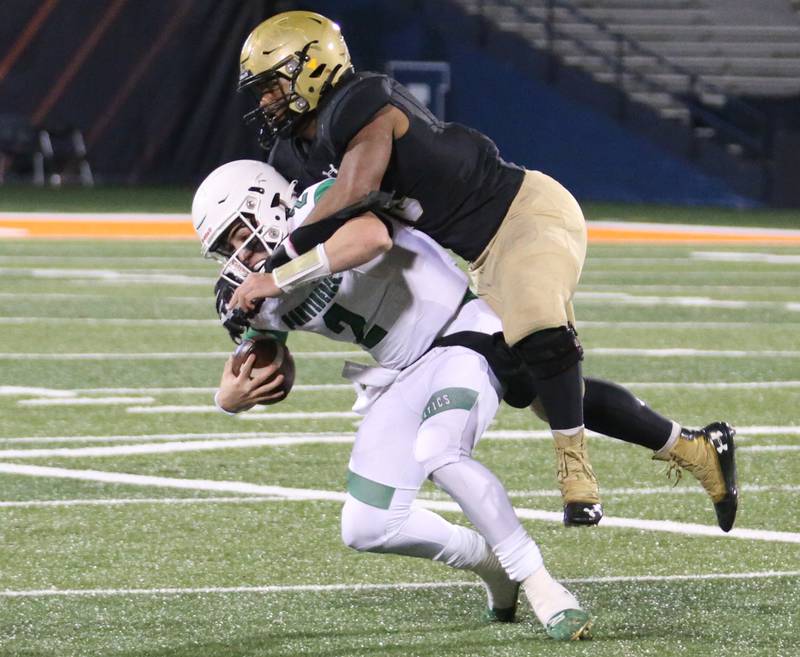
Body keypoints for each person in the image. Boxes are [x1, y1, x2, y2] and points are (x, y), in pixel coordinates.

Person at [230, 11, 738, 527]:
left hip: (525, 214)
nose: (266, 99)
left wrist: (278, 266)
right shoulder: (294, 153)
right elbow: (284, 219)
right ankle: (694, 449)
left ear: (313, 67)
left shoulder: (360, 100)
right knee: (526, 384)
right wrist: (259, 330)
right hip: (481, 256)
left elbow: (354, 191)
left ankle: (576, 475)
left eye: (273, 84)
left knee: (540, 330)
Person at [193, 159, 594, 640]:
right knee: (366, 525)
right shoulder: (259, 285)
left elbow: (371, 238)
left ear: (267, 202)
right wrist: (231, 395)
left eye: (239, 235)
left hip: (464, 329)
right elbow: (269, 350)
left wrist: (278, 279)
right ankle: (491, 564)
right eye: (226, 249)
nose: (239, 255)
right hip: (402, 370)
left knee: (439, 450)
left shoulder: (323, 201)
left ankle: (540, 582)